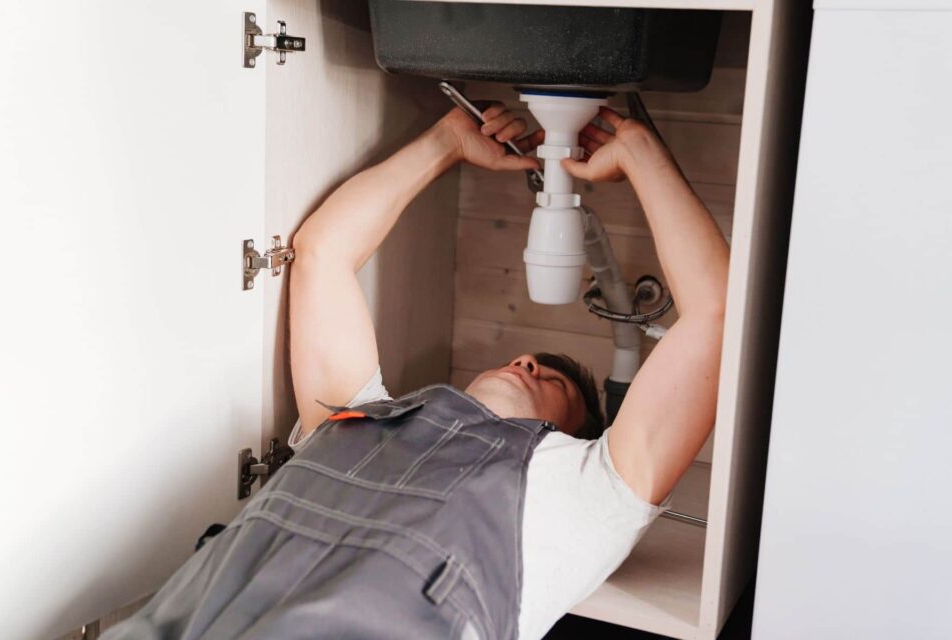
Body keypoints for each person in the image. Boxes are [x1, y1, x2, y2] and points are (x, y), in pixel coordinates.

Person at [105, 103, 728, 640]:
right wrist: (447, 141)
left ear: (575, 438)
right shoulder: (354, 416)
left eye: (553, 383)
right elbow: (322, 252)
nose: (526, 362)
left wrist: (641, 153)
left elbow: (715, 314)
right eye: (525, 360)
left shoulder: (593, 493)